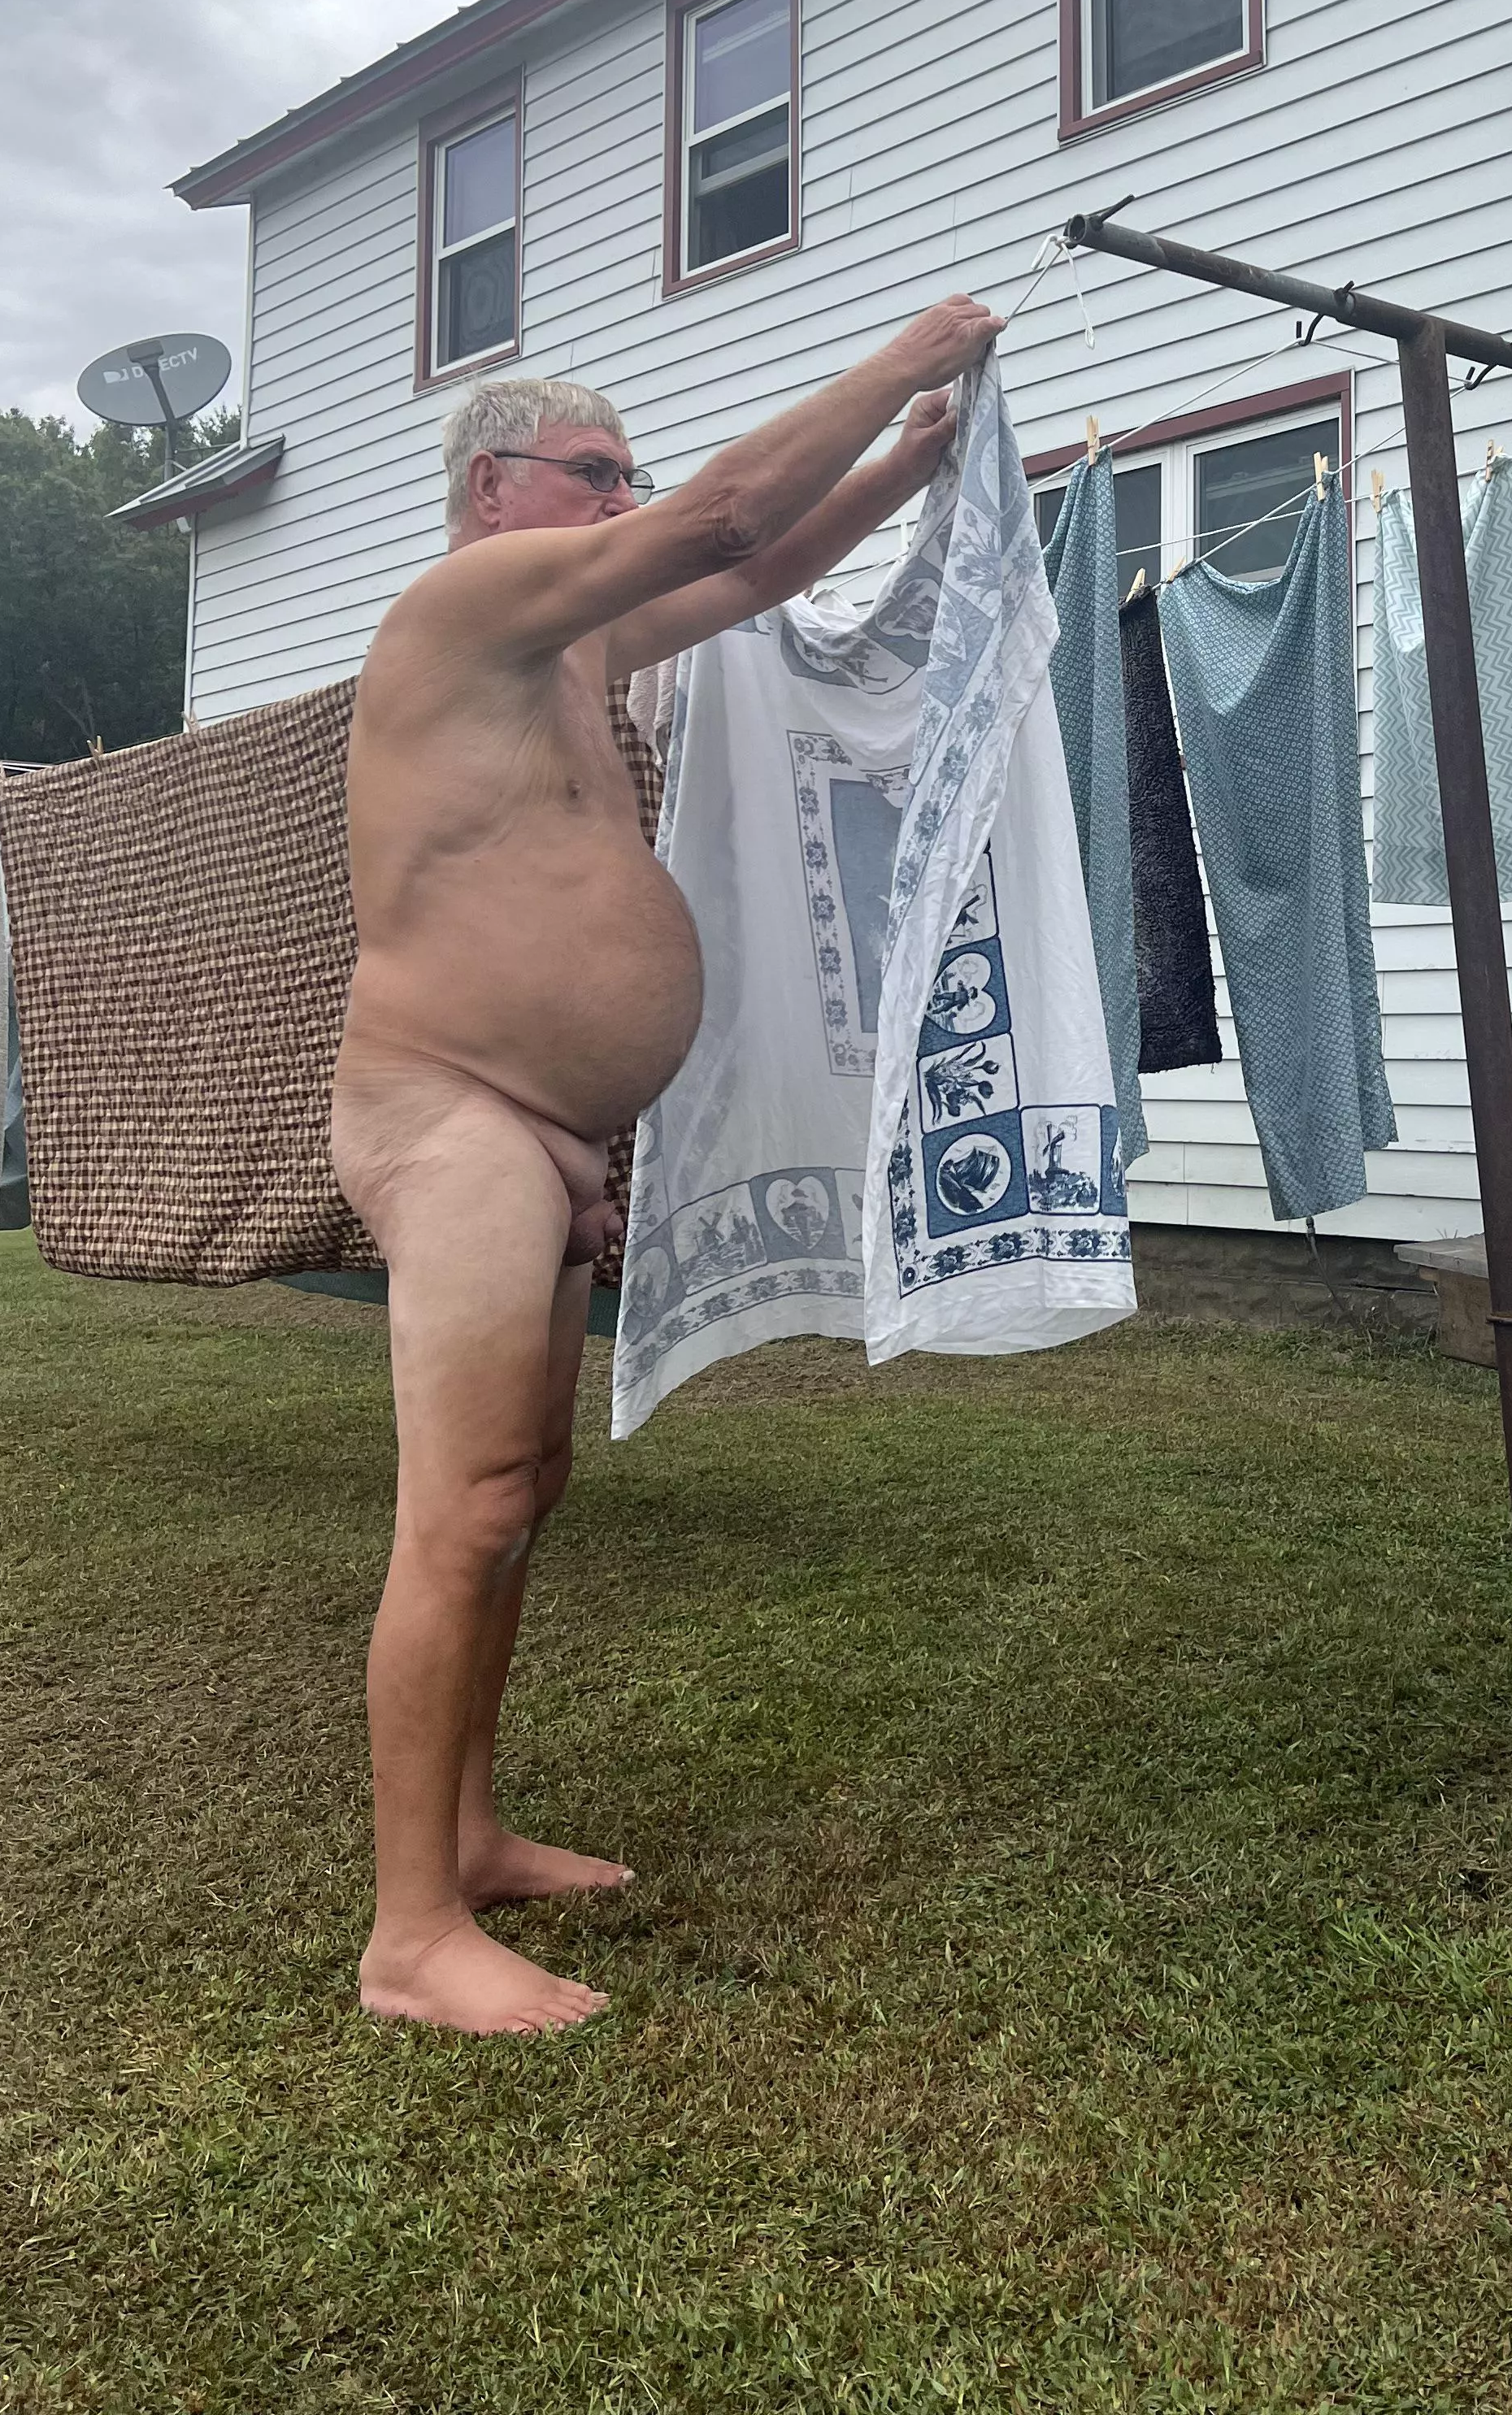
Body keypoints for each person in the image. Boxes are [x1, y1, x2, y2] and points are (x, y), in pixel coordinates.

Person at [333, 297, 1003, 2035]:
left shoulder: (572, 647)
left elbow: (757, 571)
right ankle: (410, 1938)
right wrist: (906, 355)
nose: (622, 496)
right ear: (493, 488)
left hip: (543, 1127)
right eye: (594, 472)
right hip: (454, 1108)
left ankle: (469, 1837)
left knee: (522, 1491)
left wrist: (910, 464)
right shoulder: (463, 604)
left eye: (627, 471)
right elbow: (718, 518)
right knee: (464, 1504)